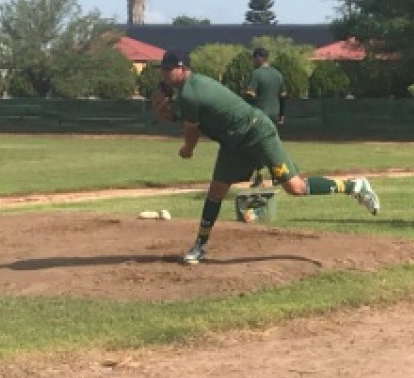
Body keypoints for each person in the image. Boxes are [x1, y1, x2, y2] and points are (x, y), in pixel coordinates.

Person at [158, 50, 380, 265]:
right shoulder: (191, 89)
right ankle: (200, 245)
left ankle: (354, 186)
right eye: (163, 70)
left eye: (168, 69)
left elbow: (192, 131)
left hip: (257, 135)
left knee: (295, 188)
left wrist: (187, 150)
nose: (164, 74)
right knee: (216, 191)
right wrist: (174, 115)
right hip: (235, 143)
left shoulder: (190, 92)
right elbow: (203, 116)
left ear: (181, 68)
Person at [244, 47, 287, 187]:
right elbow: (283, 97)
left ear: (259, 58)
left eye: (253, 59)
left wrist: (245, 109)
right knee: (273, 145)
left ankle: (260, 176)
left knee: (257, 145)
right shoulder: (278, 74)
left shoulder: (257, 74)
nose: (253, 62)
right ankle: (277, 176)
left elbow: (250, 94)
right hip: (274, 115)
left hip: (259, 115)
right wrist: (281, 114)